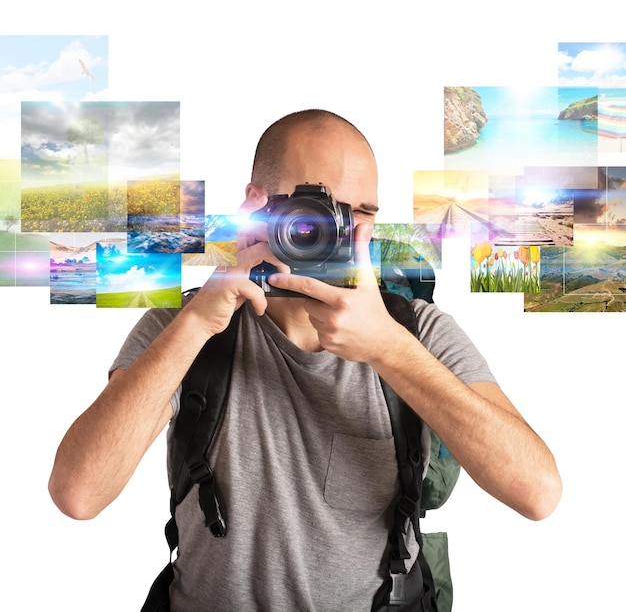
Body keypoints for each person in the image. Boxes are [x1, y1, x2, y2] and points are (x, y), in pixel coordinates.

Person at [48, 109, 562, 611]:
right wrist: (200, 320)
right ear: (256, 205)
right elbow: (78, 494)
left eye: (361, 212)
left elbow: (538, 494)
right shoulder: (181, 328)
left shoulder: (416, 331)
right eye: (315, 209)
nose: (341, 230)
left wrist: (388, 348)